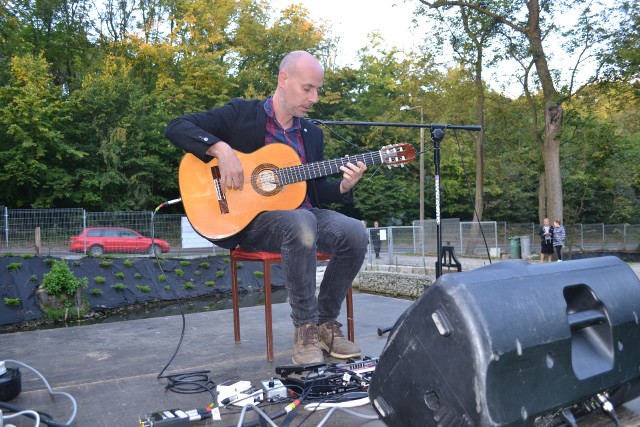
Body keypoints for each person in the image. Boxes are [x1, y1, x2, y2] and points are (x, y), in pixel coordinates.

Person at [164, 51, 368, 365]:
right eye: (307, 88)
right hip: (252, 222)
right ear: (283, 80)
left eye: (317, 90)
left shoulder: (311, 134)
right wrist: (219, 148)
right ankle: (305, 330)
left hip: (303, 216)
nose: (314, 98)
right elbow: (177, 126)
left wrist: (342, 187)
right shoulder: (242, 113)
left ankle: (326, 324)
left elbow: (313, 190)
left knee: (354, 231)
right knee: (301, 223)